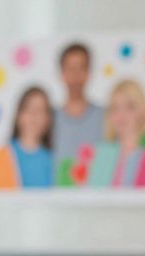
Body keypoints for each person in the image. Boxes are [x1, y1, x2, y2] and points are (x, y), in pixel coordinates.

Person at [86, 79, 145, 188]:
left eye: (129, 107)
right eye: (115, 108)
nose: (121, 115)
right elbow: (94, 197)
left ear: (142, 112)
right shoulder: (102, 155)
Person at [52, 42, 104, 186]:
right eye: (70, 69)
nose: (75, 76)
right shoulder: (48, 119)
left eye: (81, 68)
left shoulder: (106, 117)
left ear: (89, 72)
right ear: (62, 73)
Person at [0, 86, 54, 190]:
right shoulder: (4, 154)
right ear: (19, 115)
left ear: (48, 119)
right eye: (29, 109)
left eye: (40, 110)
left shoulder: (53, 157)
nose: (34, 116)